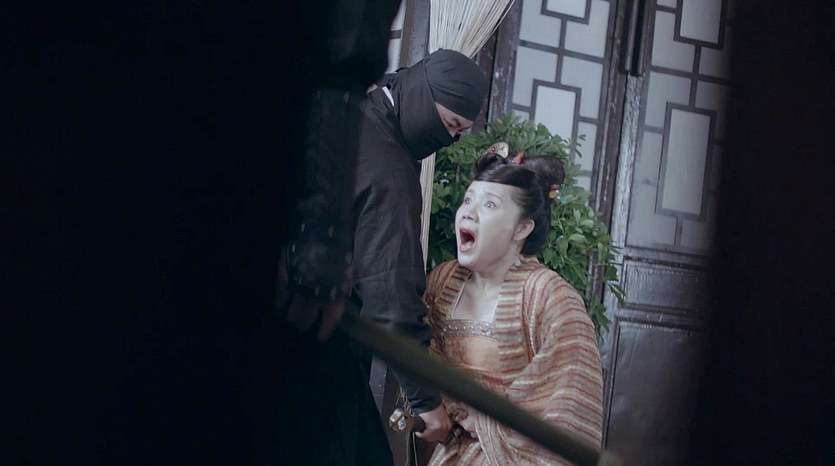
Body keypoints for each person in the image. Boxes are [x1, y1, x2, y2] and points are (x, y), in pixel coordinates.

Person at [422, 150, 604, 465]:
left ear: (522, 229)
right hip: (453, 454)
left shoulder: (551, 297)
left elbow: (568, 402)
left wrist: (487, 423)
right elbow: (421, 346)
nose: (468, 213)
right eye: (468, 200)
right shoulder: (443, 281)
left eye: (489, 205)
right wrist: (448, 409)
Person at [351, 48, 489, 444]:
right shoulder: (389, 169)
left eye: (460, 132)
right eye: (449, 123)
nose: (449, 139)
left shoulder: (356, 112)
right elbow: (388, 289)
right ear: (421, 93)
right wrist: (425, 400)